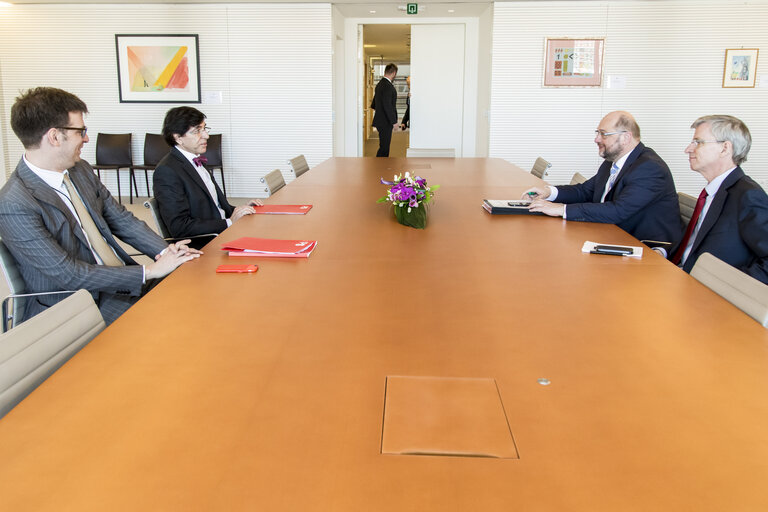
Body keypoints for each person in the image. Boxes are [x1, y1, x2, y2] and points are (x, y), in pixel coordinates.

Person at [0, 87, 200, 325]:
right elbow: (68, 275)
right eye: (81, 131)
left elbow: (122, 219)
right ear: (54, 137)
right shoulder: (14, 202)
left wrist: (167, 252)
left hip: (118, 281)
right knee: (178, 321)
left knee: (197, 292)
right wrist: (149, 272)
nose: (86, 138)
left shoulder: (80, 169)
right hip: (77, 304)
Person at [523, 111, 682, 246]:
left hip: (644, 247)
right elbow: (585, 191)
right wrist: (549, 192)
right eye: (597, 133)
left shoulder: (649, 168)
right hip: (612, 234)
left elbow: (617, 210)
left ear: (626, 137)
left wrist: (560, 209)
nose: (597, 139)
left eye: (603, 134)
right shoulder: (612, 162)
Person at [669, 115, 768, 283]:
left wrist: (727, 287)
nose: (688, 149)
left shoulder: (748, 196)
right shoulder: (713, 191)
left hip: (708, 293)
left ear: (725, 149)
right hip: (681, 276)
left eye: (698, 142)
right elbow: (693, 246)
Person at [153, 107, 262, 249]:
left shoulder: (194, 161)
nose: (206, 136)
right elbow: (179, 227)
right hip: (206, 244)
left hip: (222, 233)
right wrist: (229, 222)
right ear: (178, 138)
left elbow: (217, 208)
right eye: (197, 131)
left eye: (205, 129)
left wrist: (242, 210)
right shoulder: (167, 171)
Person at [370, 63, 399, 157]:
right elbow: (388, 106)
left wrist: (380, 112)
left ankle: (380, 167)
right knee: (384, 148)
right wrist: (394, 122)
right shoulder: (387, 86)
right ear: (394, 73)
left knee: (384, 146)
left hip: (381, 120)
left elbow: (374, 104)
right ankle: (379, 167)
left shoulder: (380, 84)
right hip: (385, 122)